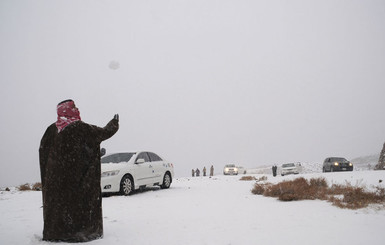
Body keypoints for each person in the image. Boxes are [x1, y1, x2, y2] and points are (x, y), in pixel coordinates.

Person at [39, 99, 119, 242]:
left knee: (60, 207)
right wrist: (113, 124)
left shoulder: (52, 130)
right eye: (74, 107)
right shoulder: (79, 128)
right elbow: (102, 133)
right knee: (77, 206)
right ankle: (77, 232)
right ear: (67, 110)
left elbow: (43, 151)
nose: (77, 109)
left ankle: (57, 232)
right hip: (75, 180)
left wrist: (52, 173)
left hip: (56, 183)